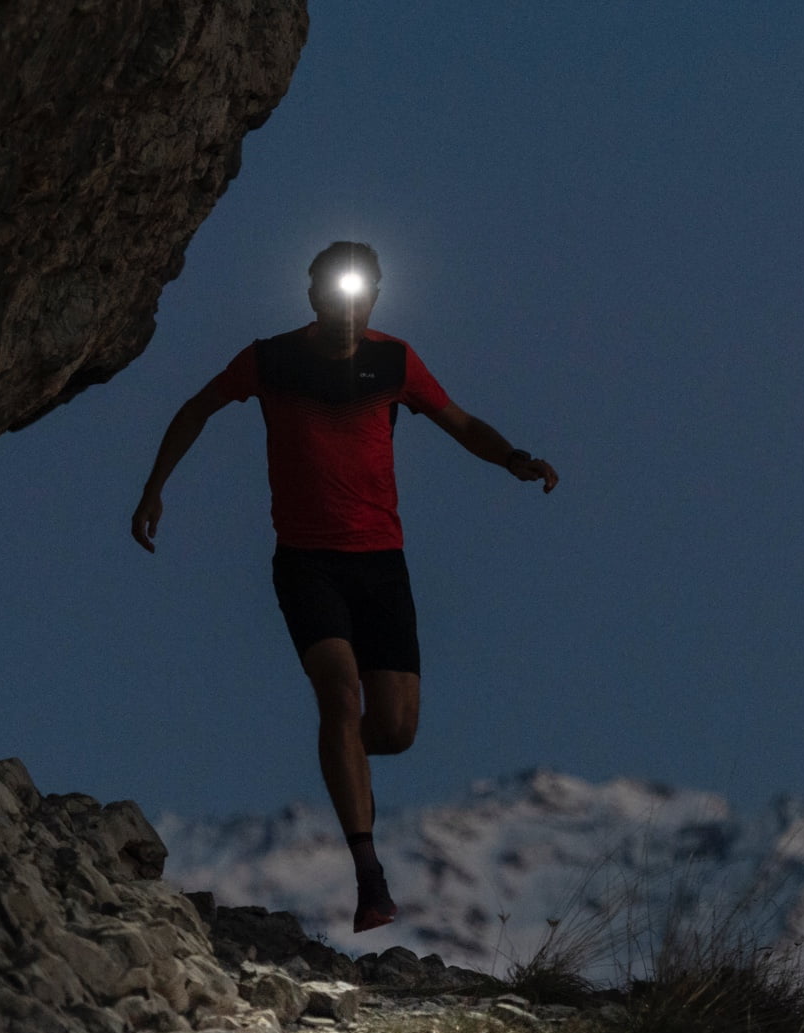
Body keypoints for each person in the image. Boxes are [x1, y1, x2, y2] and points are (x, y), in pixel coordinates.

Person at [131, 241, 558, 933]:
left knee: (392, 729)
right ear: (313, 297)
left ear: (376, 299)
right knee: (339, 692)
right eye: (339, 296)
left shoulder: (394, 360)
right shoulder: (271, 359)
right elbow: (196, 407)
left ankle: (341, 755)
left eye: (366, 296)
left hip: (382, 564)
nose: (352, 310)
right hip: (307, 562)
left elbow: (459, 421)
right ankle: (370, 876)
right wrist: (154, 490)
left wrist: (512, 457)